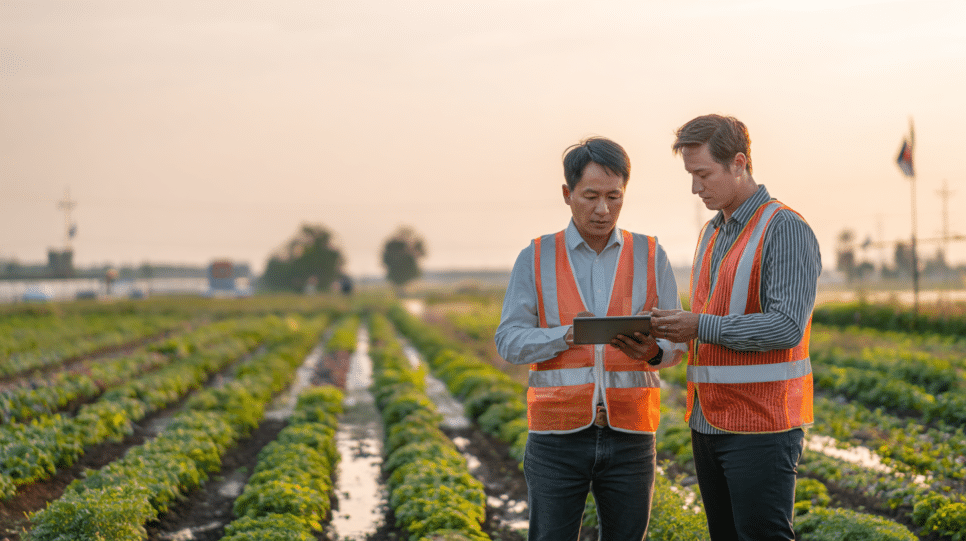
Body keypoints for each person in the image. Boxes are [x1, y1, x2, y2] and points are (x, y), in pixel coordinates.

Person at [495, 136, 686, 541]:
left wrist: (654, 352)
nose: (603, 210)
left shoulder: (651, 254)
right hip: (556, 437)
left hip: (632, 436)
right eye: (591, 196)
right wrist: (565, 336)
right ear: (567, 194)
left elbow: (678, 343)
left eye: (614, 197)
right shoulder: (536, 256)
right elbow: (508, 341)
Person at [651, 114, 822, 540]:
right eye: (691, 175)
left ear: (739, 163)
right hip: (708, 421)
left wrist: (698, 325)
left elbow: (785, 327)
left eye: (703, 174)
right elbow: (712, 320)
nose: (695, 188)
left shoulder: (784, 228)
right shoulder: (712, 232)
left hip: (761, 425)